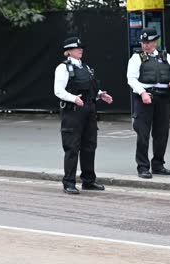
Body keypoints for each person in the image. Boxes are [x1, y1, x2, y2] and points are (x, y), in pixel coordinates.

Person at [54, 36, 113, 194]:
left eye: (81, 48)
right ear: (68, 51)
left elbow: (90, 87)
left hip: (89, 109)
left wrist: (101, 95)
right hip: (73, 111)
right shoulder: (63, 68)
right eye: (76, 48)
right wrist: (73, 98)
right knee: (72, 147)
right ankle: (69, 182)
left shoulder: (85, 67)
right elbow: (58, 90)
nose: (80, 50)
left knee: (89, 146)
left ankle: (88, 181)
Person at [126, 28, 170, 179]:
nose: (146, 45)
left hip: (162, 98)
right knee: (143, 133)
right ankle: (143, 167)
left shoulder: (165, 56)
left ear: (155, 42)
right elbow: (131, 79)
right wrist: (142, 93)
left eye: (149, 42)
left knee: (161, 133)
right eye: (144, 42)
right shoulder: (137, 58)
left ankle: (158, 164)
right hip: (145, 97)